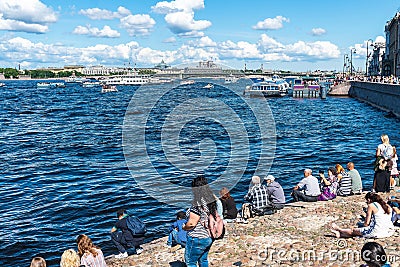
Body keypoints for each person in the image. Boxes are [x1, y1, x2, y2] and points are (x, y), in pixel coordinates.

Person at [182, 175, 216, 267]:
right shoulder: (210, 200)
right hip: (208, 236)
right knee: (203, 259)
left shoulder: (197, 203)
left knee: (190, 262)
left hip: (197, 238)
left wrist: (184, 227)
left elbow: (192, 223)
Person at [330, 192, 395, 239]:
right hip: (388, 230)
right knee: (356, 233)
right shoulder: (387, 206)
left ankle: (339, 229)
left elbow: (366, 223)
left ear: (369, 200)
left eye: (367, 201)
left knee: (353, 230)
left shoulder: (372, 205)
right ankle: (340, 235)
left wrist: (361, 228)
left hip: (377, 231)